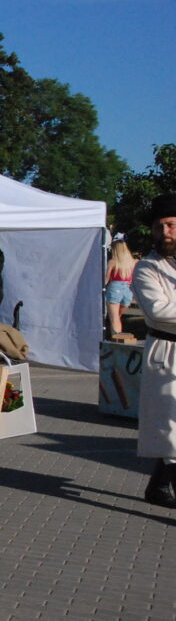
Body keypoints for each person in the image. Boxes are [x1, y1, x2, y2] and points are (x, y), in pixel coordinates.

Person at [132, 194, 176, 508]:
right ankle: (161, 486)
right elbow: (158, 310)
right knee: (170, 425)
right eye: (159, 227)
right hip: (167, 349)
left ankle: (159, 485)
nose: (165, 233)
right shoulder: (147, 267)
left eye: (171, 225)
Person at [105, 238, 136, 335]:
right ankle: (118, 336)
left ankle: (115, 337)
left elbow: (106, 279)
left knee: (114, 317)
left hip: (115, 287)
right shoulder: (133, 262)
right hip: (128, 288)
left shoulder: (113, 262)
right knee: (118, 317)